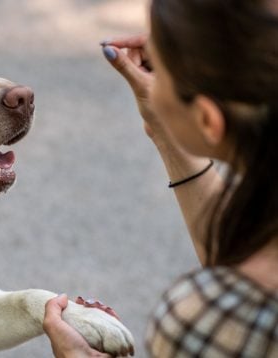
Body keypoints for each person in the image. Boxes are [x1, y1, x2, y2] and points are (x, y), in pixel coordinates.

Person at [43, 0, 278, 356]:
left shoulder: (215, 320)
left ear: (207, 120)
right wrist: (164, 127)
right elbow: (237, 254)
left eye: (164, 69)